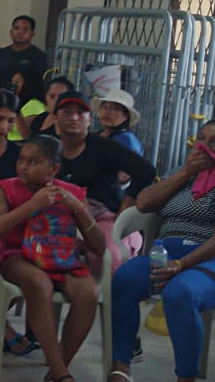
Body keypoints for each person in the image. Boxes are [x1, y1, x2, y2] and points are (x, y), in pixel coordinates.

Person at [99, 120, 215, 382]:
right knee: (124, 279)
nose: (206, 147)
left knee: (180, 292)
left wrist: (182, 265)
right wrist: (186, 172)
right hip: (168, 252)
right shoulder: (181, 175)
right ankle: (121, 370)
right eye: (202, 139)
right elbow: (144, 203)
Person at [0, 135, 105, 382]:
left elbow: (99, 246)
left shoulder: (70, 192)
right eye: (21, 160)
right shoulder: (6, 188)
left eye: (33, 162)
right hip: (16, 256)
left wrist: (78, 208)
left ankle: (55, 374)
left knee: (88, 292)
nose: (23, 167)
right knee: (39, 283)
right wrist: (32, 205)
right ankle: (63, 377)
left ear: (54, 169)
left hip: (60, 257)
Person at [54, 90, 156, 273]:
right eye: (66, 112)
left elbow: (146, 171)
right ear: (55, 119)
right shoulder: (51, 148)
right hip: (59, 216)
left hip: (102, 216)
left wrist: (125, 209)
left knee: (109, 258)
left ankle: (111, 291)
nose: (73, 118)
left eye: (80, 113)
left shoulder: (106, 146)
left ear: (89, 119)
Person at [0, 15, 50, 92]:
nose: (20, 32)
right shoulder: (0, 53)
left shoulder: (39, 56)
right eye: (17, 28)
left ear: (32, 34)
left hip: (29, 97)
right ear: (11, 32)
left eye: (25, 29)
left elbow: (41, 82)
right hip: (2, 96)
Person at [94, 89, 143, 156]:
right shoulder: (96, 136)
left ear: (126, 116)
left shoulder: (127, 139)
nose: (108, 112)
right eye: (105, 107)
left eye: (116, 109)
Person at [9, 69, 50, 140]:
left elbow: (26, 133)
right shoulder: (20, 103)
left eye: (17, 83)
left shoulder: (35, 105)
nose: (13, 87)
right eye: (12, 83)